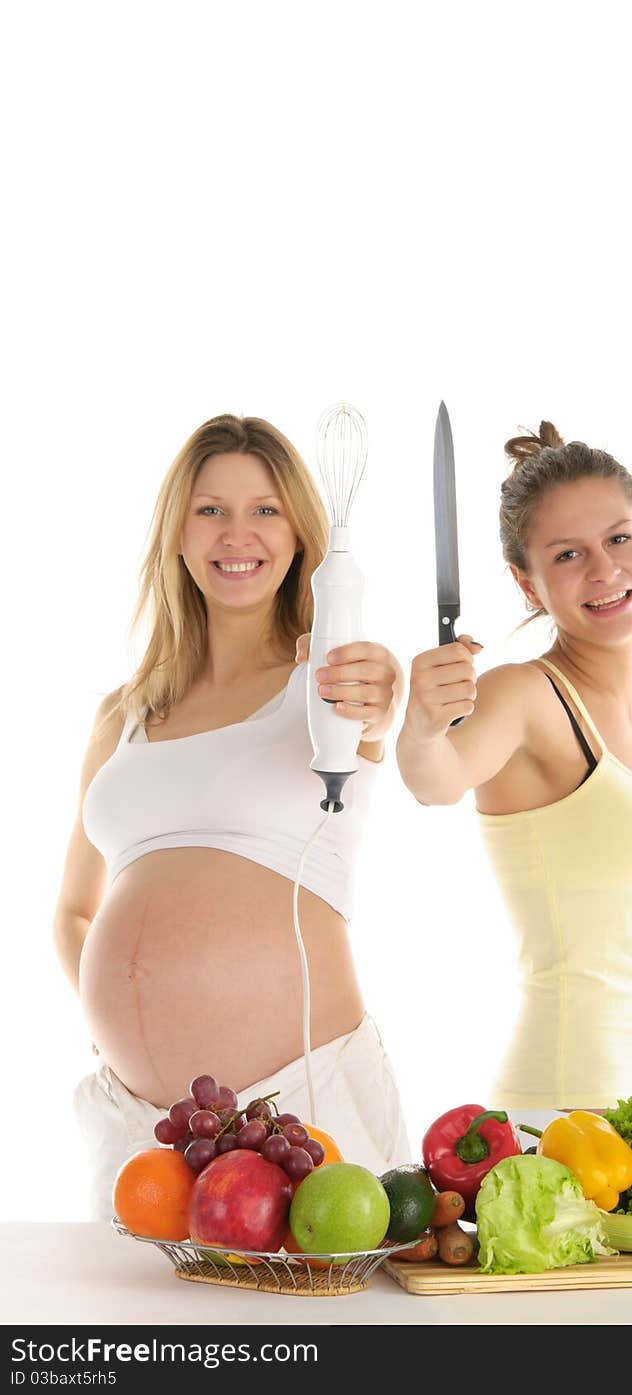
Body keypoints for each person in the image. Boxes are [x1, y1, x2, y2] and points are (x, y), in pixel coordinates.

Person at [53, 413, 411, 1220]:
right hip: (143, 1129)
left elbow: (377, 699)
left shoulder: (330, 681)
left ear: (299, 535)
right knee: (139, 1344)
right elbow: (75, 910)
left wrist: (379, 687)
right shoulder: (125, 713)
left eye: (266, 509)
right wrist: (122, 1022)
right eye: (211, 508)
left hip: (299, 1104)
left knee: (327, 1339)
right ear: (177, 531)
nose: (237, 532)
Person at [396, 421, 632, 1138]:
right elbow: (436, 777)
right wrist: (422, 723)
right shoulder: (523, 695)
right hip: (568, 1109)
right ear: (527, 583)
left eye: (619, 538)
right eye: (567, 554)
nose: (603, 569)